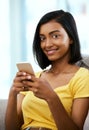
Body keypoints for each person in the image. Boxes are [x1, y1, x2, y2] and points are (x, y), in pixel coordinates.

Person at [5, 10, 89, 130]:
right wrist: (13, 93)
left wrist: (51, 97)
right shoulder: (34, 77)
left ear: (71, 38)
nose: (47, 44)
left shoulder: (83, 77)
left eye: (55, 36)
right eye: (42, 38)